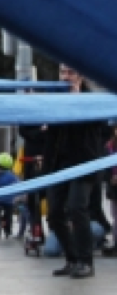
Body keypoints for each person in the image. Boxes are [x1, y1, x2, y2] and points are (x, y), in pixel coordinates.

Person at [45, 64, 107, 279]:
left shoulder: (92, 99)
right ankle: (72, 258)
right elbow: (43, 133)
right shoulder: (54, 98)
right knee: (54, 214)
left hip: (84, 164)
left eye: (70, 72)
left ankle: (85, 261)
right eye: (62, 72)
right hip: (59, 164)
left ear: (80, 75)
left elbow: (101, 128)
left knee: (77, 208)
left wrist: (78, 100)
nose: (65, 76)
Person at [0, 153, 20, 238]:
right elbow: (17, 186)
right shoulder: (13, 177)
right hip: (9, 201)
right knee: (8, 215)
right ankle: (8, 230)